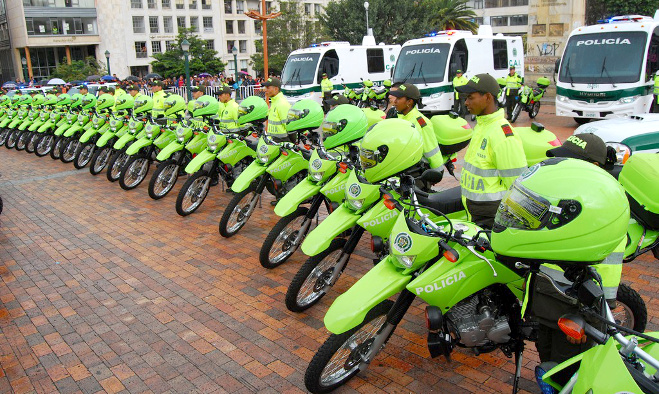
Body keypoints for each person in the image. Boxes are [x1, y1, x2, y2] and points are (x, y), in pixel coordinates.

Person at [530, 133, 625, 393]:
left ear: (593, 168)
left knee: (568, 378)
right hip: (546, 305)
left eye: (570, 161)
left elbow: (606, 274)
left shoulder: (604, 209)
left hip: (573, 315)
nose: (562, 166)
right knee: (549, 369)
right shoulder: (566, 197)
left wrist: (589, 321)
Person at [456, 73, 527, 228]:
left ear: (487, 97)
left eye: (470, 97)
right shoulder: (482, 126)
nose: (466, 102)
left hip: (490, 217)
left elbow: (516, 186)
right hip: (475, 212)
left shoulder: (502, 134)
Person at [389, 83, 444, 174]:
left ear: (409, 102)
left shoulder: (420, 122)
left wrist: (438, 171)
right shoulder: (400, 116)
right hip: (402, 168)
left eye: (398, 99)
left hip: (416, 172)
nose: (395, 101)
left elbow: (430, 149)